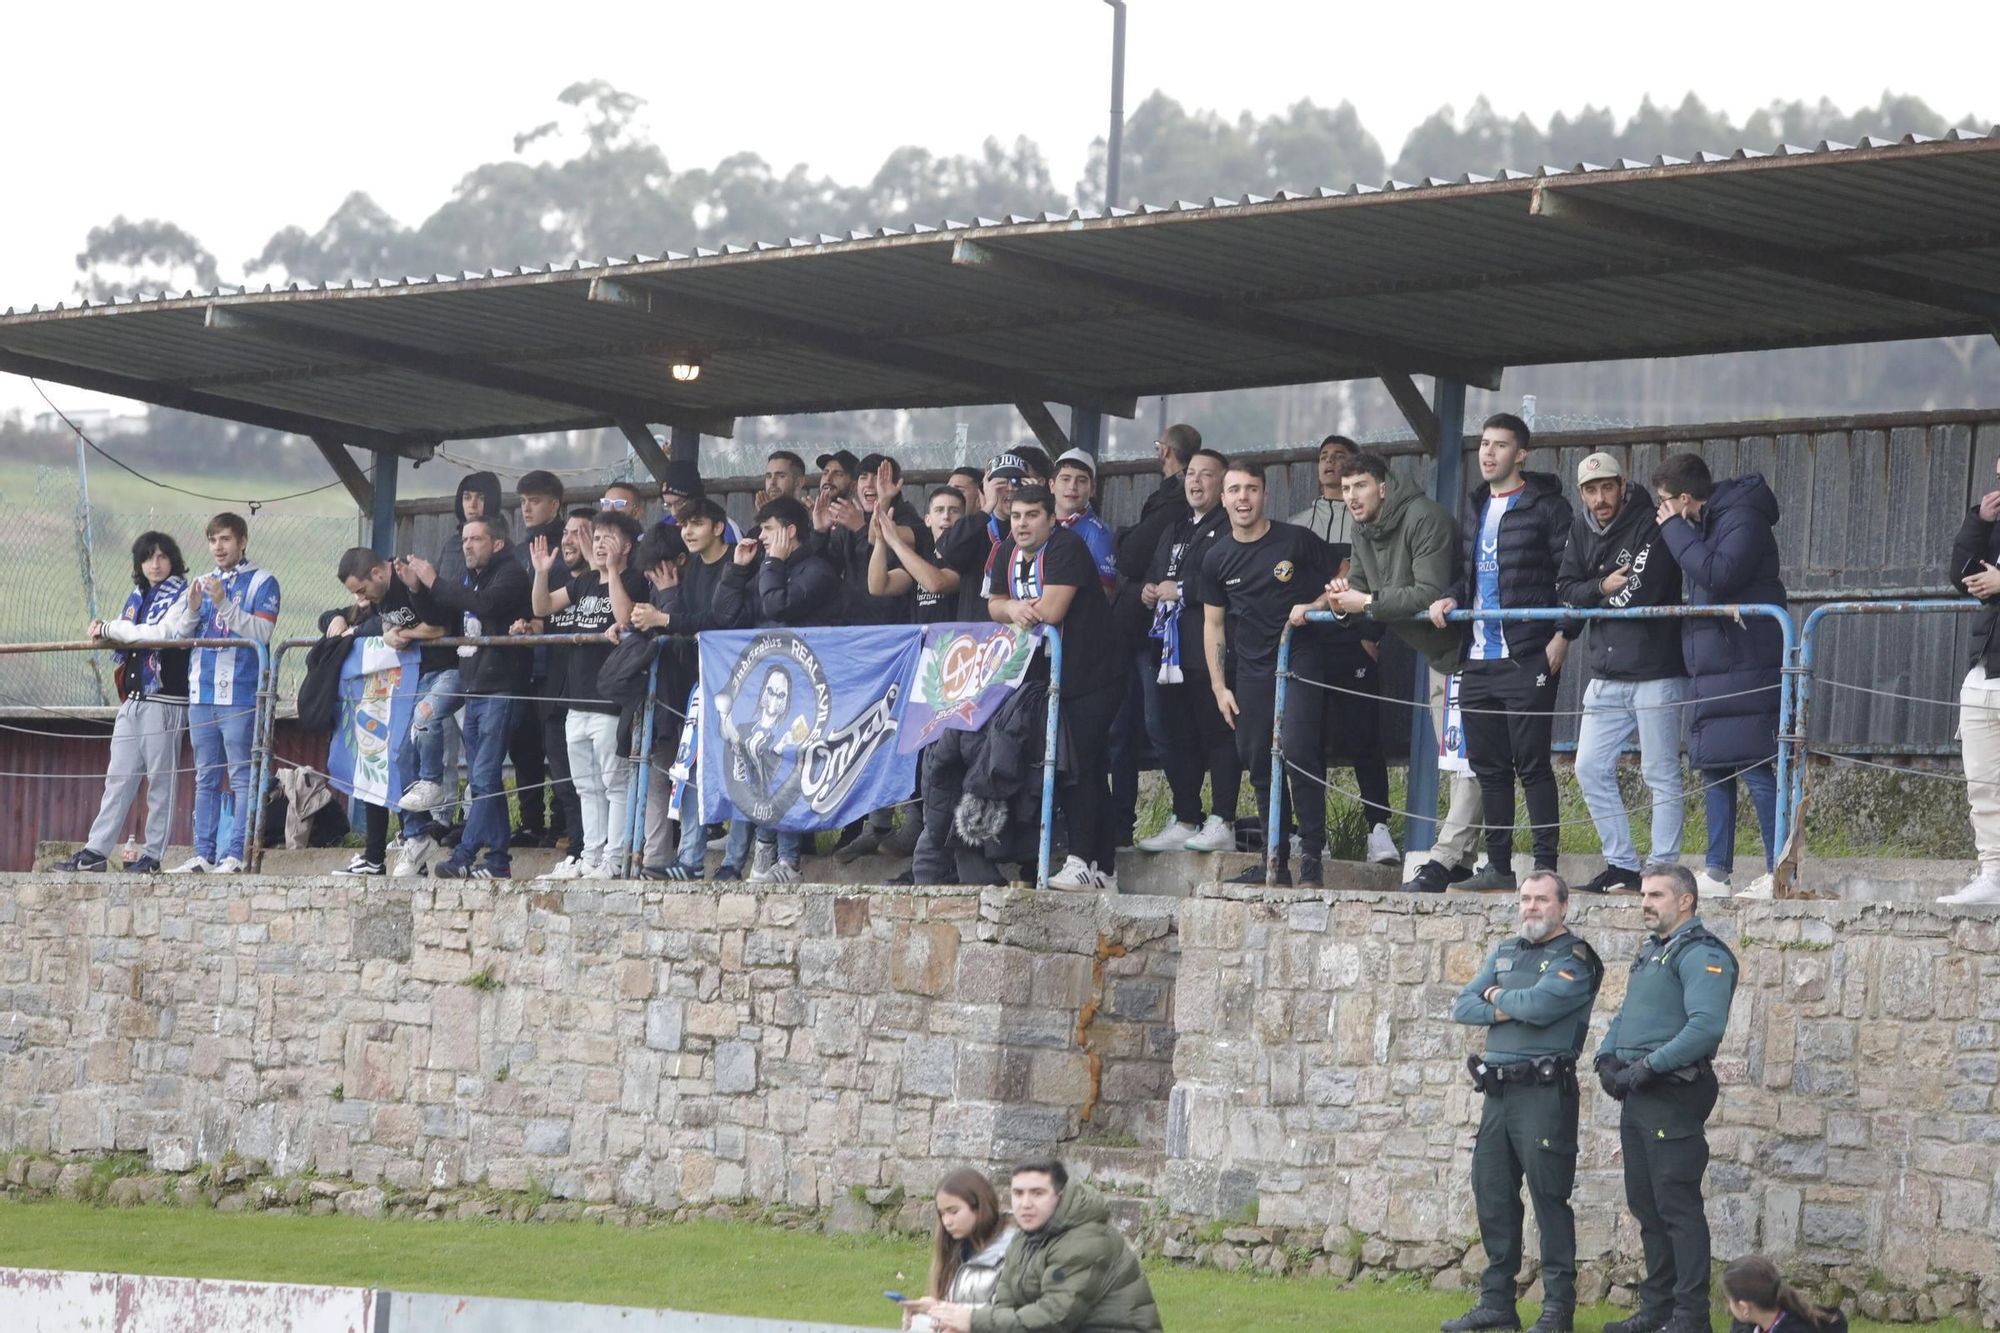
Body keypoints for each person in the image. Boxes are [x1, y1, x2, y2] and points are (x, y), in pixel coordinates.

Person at [1445, 871, 1603, 1333]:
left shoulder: (1576, 957)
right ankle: (1497, 1305)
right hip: (1498, 1094)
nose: (1531, 907)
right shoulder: (1506, 950)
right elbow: (1461, 1005)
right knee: (1492, 1195)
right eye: (1526, 899)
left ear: (1563, 907)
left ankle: (1558, 1309)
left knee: (1549, 1198)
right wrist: (1507, 1001)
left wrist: (1493, 994)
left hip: (1543, 1093)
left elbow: (1540, 1007)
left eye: (1541, 900)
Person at [1429, 414, 1577, 892]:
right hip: (1477, 657)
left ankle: (1545, 867)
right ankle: (1497, 869)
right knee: (1488, 767)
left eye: (1500, 445)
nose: (1488, 453)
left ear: (1522, 454)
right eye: (1484, 444)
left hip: (1528, 654)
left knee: (1532, 764)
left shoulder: (1548, 507)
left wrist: (1563, 634)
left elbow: (1570, 576)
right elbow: (1468, 575)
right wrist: (1452, 597)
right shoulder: (1474, 505)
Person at [1593, 864, 1739, 1333]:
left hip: (1672, 1093)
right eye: (1643, 894)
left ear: (1686, 901)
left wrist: (1648, 1067)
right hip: (1639, 1094)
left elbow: (1705, 1027)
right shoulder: (1651, 951)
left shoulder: (1703, 955)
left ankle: (1691, 1318)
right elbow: (1627, 1014)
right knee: (1647, 1206)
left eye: (1656, 894)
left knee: (1677, 1206)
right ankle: (1657, 1311)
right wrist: (1606, 1059)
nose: (1645, 902)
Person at [1328, 452, 1482, 892]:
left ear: (1383, 486)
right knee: (1458, 761)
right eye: (1345, 489)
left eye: (1360, 486)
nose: (1352, 497)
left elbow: (1429, 591)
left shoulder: (1424, 517)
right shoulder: (1360, 529)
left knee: (1470, 759)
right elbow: (1360, 592)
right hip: (1438, 656)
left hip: (1472, 649)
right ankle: (1461, 861)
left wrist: (1369, 603)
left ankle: (1446, 856)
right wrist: (1342, 601)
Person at [1200, 464, 1343, 888]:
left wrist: (1316, 603)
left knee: (1298, 752)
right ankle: (1272, 863)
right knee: (1259, 761)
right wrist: (1219, 687)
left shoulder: (1295, 539)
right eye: (1234, 490)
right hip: (1252, 671)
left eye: (1252, 489)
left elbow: (1344, 572)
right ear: (1222, 499)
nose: (1243, 498)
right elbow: (1213, 625)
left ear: (1264, 495)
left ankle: (1312, 862)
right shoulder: (1216, 556)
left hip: (1299, 658)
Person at [1652, 453, 1786, 900]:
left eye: (1665, 503)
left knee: (1754, 764)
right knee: (1714, 765)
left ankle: (1777, 870)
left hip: (1746, 658)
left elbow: (1720, 574)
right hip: (1716, 662)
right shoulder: (1709, 520)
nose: (1662, 512)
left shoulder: (1742, 516)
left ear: (1685, 498)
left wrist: (1675, 529)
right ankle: (1717, 870)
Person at [1557, 452, 1689, 894]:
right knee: (1589, 767)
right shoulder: (1580, 525)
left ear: (1623, 483)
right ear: (1581, 494)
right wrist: (1598, 586)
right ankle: (1622, 865)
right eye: (1591, 491)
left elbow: (1640, 591)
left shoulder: (1649, 520)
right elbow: (1566, 590)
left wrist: (1592, 593)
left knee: (1660, 772)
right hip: (1607, 671)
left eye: (1607, 487)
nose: (1600, 498)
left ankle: (1661, 870)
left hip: (1655, 668)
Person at [986, 485, 1125, 891]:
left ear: (1051, 519)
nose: (1023, 524)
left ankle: (1080, 860)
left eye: (1032, 516)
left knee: (1076, 764)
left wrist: (1014, 610)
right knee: (1093, 770)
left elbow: (1051, 610)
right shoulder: (1007, 551)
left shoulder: (1067, 548)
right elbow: (993, 602)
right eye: (1016, 516)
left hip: (1095, 675)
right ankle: (1104, 871)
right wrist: (1012, 608)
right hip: (1056, 680)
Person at [712, 495, 839, 882]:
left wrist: (772, 564)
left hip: (806, 690)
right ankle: (764, 852)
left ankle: (789, 860)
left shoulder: (817, 570)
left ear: (790, 532)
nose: (761, 538)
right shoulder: (763, 567)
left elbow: (776, 607)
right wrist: (736, 571)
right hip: (763, 687)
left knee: (787, 765)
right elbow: (725, 615)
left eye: (768, 530)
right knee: (758, 763)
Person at [57, 533, 196, 873]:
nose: (155, 564)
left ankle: (152, 856)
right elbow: (129, 631)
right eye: (148, 558)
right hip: (132, 699)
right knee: (117, 778)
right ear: (139, 564)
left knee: (160, 782)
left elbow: (156, 634)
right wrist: (112, 630)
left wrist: (109, 627)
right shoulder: (137, 597)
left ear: (173, 560)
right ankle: (96, 852)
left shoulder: (184, 595)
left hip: (164, 699)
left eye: (162, 557)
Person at [407, 516, 532, 879]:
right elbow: (447, 614)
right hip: (474, 687)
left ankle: (464, 856)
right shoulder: (468, 578)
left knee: (485, 776)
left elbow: (486, 605)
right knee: (483, 780)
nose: (468, 545)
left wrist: (435, 581)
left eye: (477, 539)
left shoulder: (511, 574)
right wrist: (418, 589)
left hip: (502, 687)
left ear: (498, 544)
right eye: (464, 539)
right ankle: (497, 861)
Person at [531, 510, 648, 879]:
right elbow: (541, 607)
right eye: (595, 538)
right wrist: (541, 572)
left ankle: (614, 859)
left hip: (610, 702)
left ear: (627, 547)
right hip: (576, 701)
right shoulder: (581, 584)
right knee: (586, 786)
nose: (598, 544)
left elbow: (626, 617)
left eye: (607, 538)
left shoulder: (634, 579)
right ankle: (591, 855)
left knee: (614, 783)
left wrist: (613, 571)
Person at [1134, 448, 1238, 854]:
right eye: (1191, 474)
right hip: (1167, 654)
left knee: (1216, 734)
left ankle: (1223, 819)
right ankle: (1185, 816)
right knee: (1176, 735)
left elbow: (1233, 579)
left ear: (1223, 484)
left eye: (1206, 475)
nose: (1195, 482)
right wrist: (1147, 591)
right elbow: (1154, 573)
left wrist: (1184, 590)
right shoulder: (1173, 527)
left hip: (1207, 651)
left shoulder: (1229, 527)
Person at [324, 547, 448, 877]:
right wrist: (339, 618)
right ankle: (407, 841)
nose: (361, 599)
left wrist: (401, 634)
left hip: (442, 672)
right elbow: (363, 622)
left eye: (362, 590)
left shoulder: (408, 581)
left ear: (378, 574)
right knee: (387, 755)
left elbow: (439, 627)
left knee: (405, 750)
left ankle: (426, 826)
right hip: (407, 680)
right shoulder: (378, 597)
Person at [927, 1160, 1161, 1333]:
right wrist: (957, 1324)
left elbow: (1054, 1318)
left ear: (1059, 1196)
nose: (1025, 1203)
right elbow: (1005, 1308)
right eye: (1018, 1193)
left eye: (1037, 1193)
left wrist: (971, 1321)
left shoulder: (1085, 1240)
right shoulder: (1021, 1240)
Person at [169, 512, 280, 875]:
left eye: (226, 539)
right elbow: (184, 634)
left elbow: (261, 633)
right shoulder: (202, 581)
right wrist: (195, 608)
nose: (218, 546)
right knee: (205, 776)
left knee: (241, 775)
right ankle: (203, 853)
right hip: (200, 692)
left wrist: (224, 605)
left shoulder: (264, 582)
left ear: (242, 541)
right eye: (213, 540)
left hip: (241, 693)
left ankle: (236, 854)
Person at [631, 500, 733, 879]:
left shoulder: (733, 564)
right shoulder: (685, 575)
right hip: (681, 699)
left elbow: (716, 622)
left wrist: (666, 613)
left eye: (697, 523)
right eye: (684, 524)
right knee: (679, 775)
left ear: (719, 527)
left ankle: (734, 861)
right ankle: (682, 859)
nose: (689, 531)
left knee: (725, 774)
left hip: (720, 688)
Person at [1109, 425, 1197, 849]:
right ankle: (1121, 828)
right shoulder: (1168, 503)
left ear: (1164, 452)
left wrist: (1125, 537)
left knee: (1162, 726)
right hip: (1135, 633)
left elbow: (1128, 555)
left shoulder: (1174, 501)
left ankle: (1188, 816)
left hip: (1167, 641)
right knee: (1122, 732)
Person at [1942, 461, 2000, 906]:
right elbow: (1961, 574)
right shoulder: (1994, 519)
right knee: (1982, 782)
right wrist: (1978, 520)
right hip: (1986, 665)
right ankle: (1993, 873)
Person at [507, 469, 568, 850]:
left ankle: (562, 824)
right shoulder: (517, 551)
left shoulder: (568, 546)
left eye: (535, 501)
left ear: (555, 505)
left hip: (557, 663)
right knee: (522, 744)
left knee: (557, 748)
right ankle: (530, 823)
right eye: (523, 501)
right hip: (521, 664)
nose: (527, 508)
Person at [899, 1168, 1016, 1320]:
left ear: (979, 1207)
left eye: (953, 1211)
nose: (946, 1221)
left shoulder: (1013, 1251)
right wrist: (923, 1316)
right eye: (942, 1213)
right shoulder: (954, 1251)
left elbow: (1007, 1317)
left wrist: (940, 1309)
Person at [1721, 1256, 1847, 1333]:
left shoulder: (1798, 1329)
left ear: (1744, 1307)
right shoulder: (1745, 1326)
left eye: (1730, 1300)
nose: (1729, 1307)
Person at [1051, 450, 1118, 591]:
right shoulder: (1041, 524)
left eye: (1081, 480)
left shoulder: (1099, 535)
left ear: (1092, 489)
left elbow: (1105, 595)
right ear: (1052, 485)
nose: (1072, 486)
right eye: (1065, 479)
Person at [1289, 434, 1360, 544]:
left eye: (1339, 456)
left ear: (1355, 467)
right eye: (1323, 457)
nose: (1329, 460)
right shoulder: (1297, 524)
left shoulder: (1364, 521)